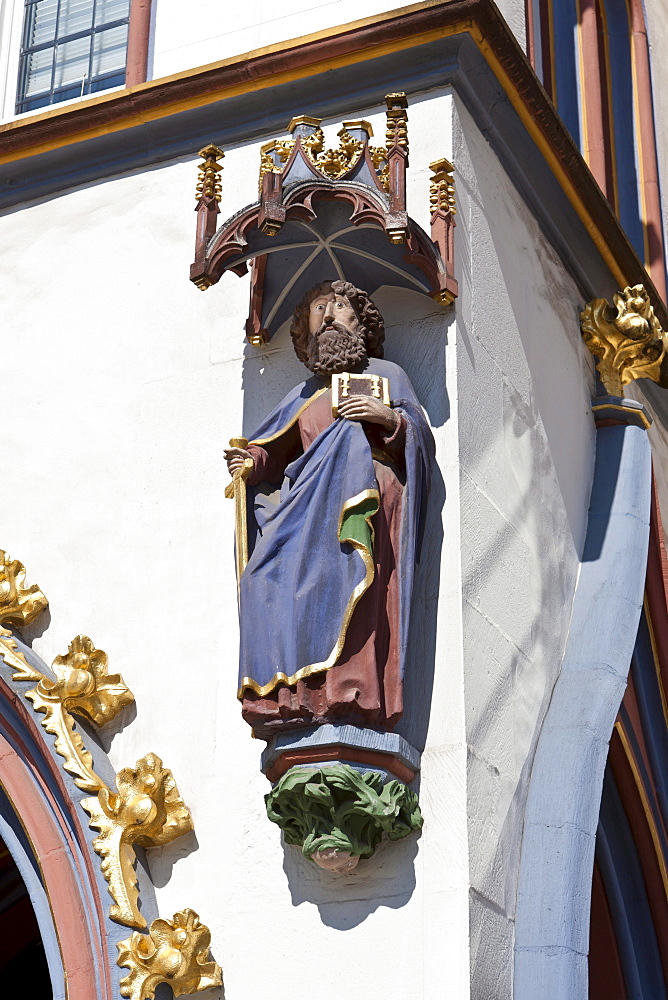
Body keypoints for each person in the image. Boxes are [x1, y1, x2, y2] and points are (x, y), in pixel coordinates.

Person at [225, 279, 434, 739]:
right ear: (306, 332)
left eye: (342, 309)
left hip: (358, 500)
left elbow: (417, 436)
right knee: (262, 579)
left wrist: (387, 419)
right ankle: (292, 697)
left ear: (362, 325)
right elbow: (273, 451)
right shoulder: (301, 396)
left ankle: (349, 693)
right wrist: (251, 462)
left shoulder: (387, 374)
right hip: (304, 513)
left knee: (349, 577)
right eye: (320, 310)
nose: (331, 317)